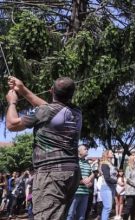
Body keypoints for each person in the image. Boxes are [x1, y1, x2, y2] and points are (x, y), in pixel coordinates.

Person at [6, 76, 82, 219]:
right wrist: (22, 90)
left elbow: (12, 124)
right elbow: (47, 108)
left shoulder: (46, 112)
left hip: (51, 174)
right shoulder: (76, 111)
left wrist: (12, 102)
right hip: (72, 173)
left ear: (51, 90)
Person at [67, 145, 94, 220]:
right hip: (75, 193)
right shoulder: (74, 162)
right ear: (79, 152)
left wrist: (90, 181)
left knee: (81, 216)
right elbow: (69, 176)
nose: (87, 150)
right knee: (70, 214)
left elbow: (91, 174)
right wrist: (80, 181)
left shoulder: (87, 163)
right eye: (85, 149)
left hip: (85, 193)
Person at [100, 150, 118, 220]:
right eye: (111, 153)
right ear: (106, 155)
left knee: (108, 208)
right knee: (107, 207)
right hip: (106, 187)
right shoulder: (105, 164)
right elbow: (107, 178)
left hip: (112, 187)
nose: (112, 153)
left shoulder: (111, 164)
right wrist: (117, 181)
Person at [123, 153, 135, 220]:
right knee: (129, 207)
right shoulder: (128, 167)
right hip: (130, 191)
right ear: (132, 159)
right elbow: (127, 178)